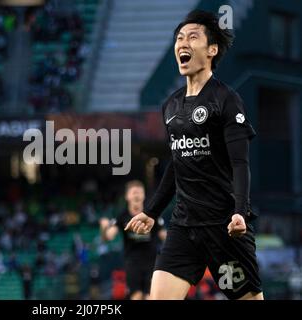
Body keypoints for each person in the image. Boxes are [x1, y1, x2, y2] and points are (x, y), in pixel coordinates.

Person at [124, 10, 263, 300]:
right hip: (184, 226)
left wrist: (240, 210)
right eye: (179, 38)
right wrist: (151, 211)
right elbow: (177, 166)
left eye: (192, 37)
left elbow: (240, 163)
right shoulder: (171, 106)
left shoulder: (227, 99)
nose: (182, 43)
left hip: (225, 227)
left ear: (212, 50)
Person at [99, 180, 166, 300]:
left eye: (139, 192)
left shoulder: (152, 215)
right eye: (133, 192)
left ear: (144, 195)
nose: (136, 195)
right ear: (127, 196)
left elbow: (165, 237)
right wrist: (103, 228)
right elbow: (108, 237)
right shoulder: (121, 216)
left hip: (152, 263)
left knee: (150, 297)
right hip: (132, 263)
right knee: (136, 296)